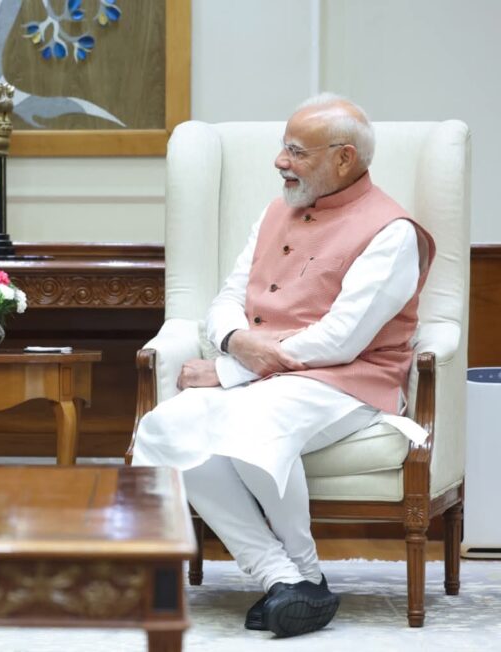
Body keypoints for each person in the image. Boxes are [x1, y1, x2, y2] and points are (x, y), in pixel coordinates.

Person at [132, 93, 435, 638]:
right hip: (270, 377)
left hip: (350, 382)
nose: (280, 161)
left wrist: (229, 370)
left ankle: (304, 573)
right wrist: (233, 339)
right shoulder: (276, 211)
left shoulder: (393, 232)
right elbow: (230, 296)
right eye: (283, 147)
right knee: (164, 427)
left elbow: (341, 340)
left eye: (296, 151)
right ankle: (287, 579)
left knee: (253, 424)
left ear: (343, 158)